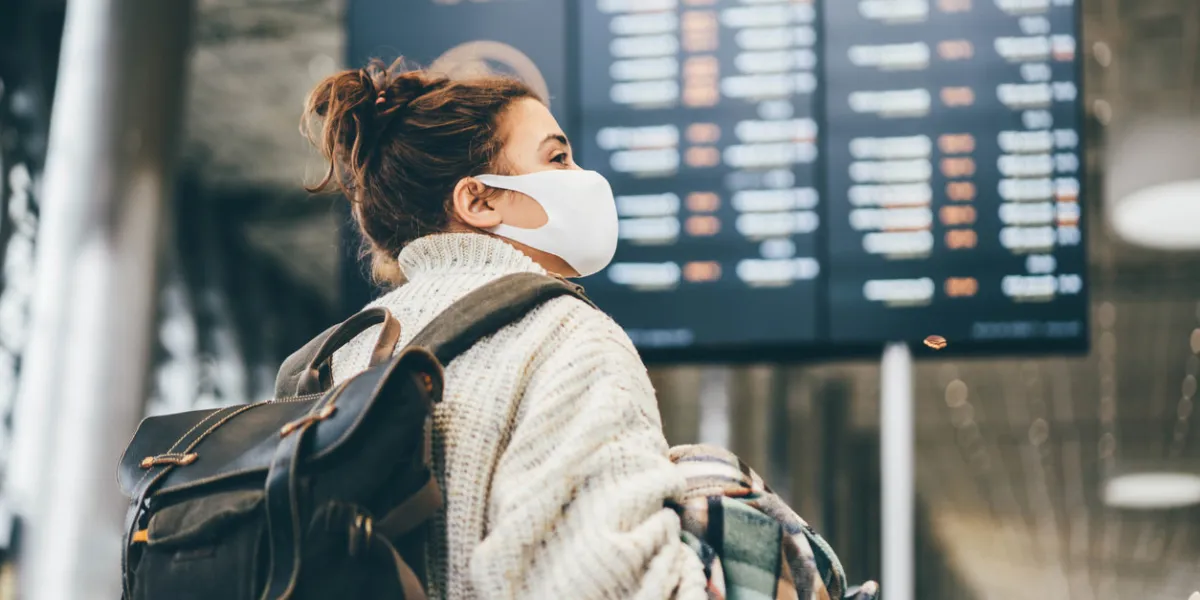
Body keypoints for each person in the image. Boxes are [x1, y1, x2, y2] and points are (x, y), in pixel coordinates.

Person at [303, 59, 710, 599]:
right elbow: (605, 583)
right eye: (558, 158)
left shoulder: (333, 361)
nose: (583, 178)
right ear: (478, 200)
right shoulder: (564, 336)